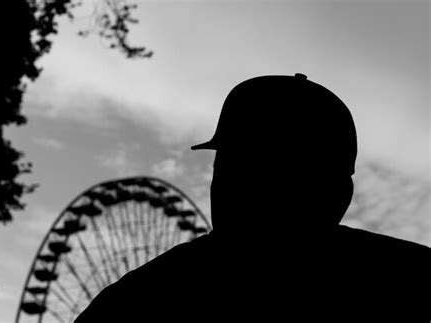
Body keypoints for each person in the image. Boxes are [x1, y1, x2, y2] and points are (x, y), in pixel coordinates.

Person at [75, 73, 430, 322]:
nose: (236, 189)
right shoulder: (411, 279)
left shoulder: (139, 300)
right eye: (233, 170)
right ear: (342, 196)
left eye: (269, 173)